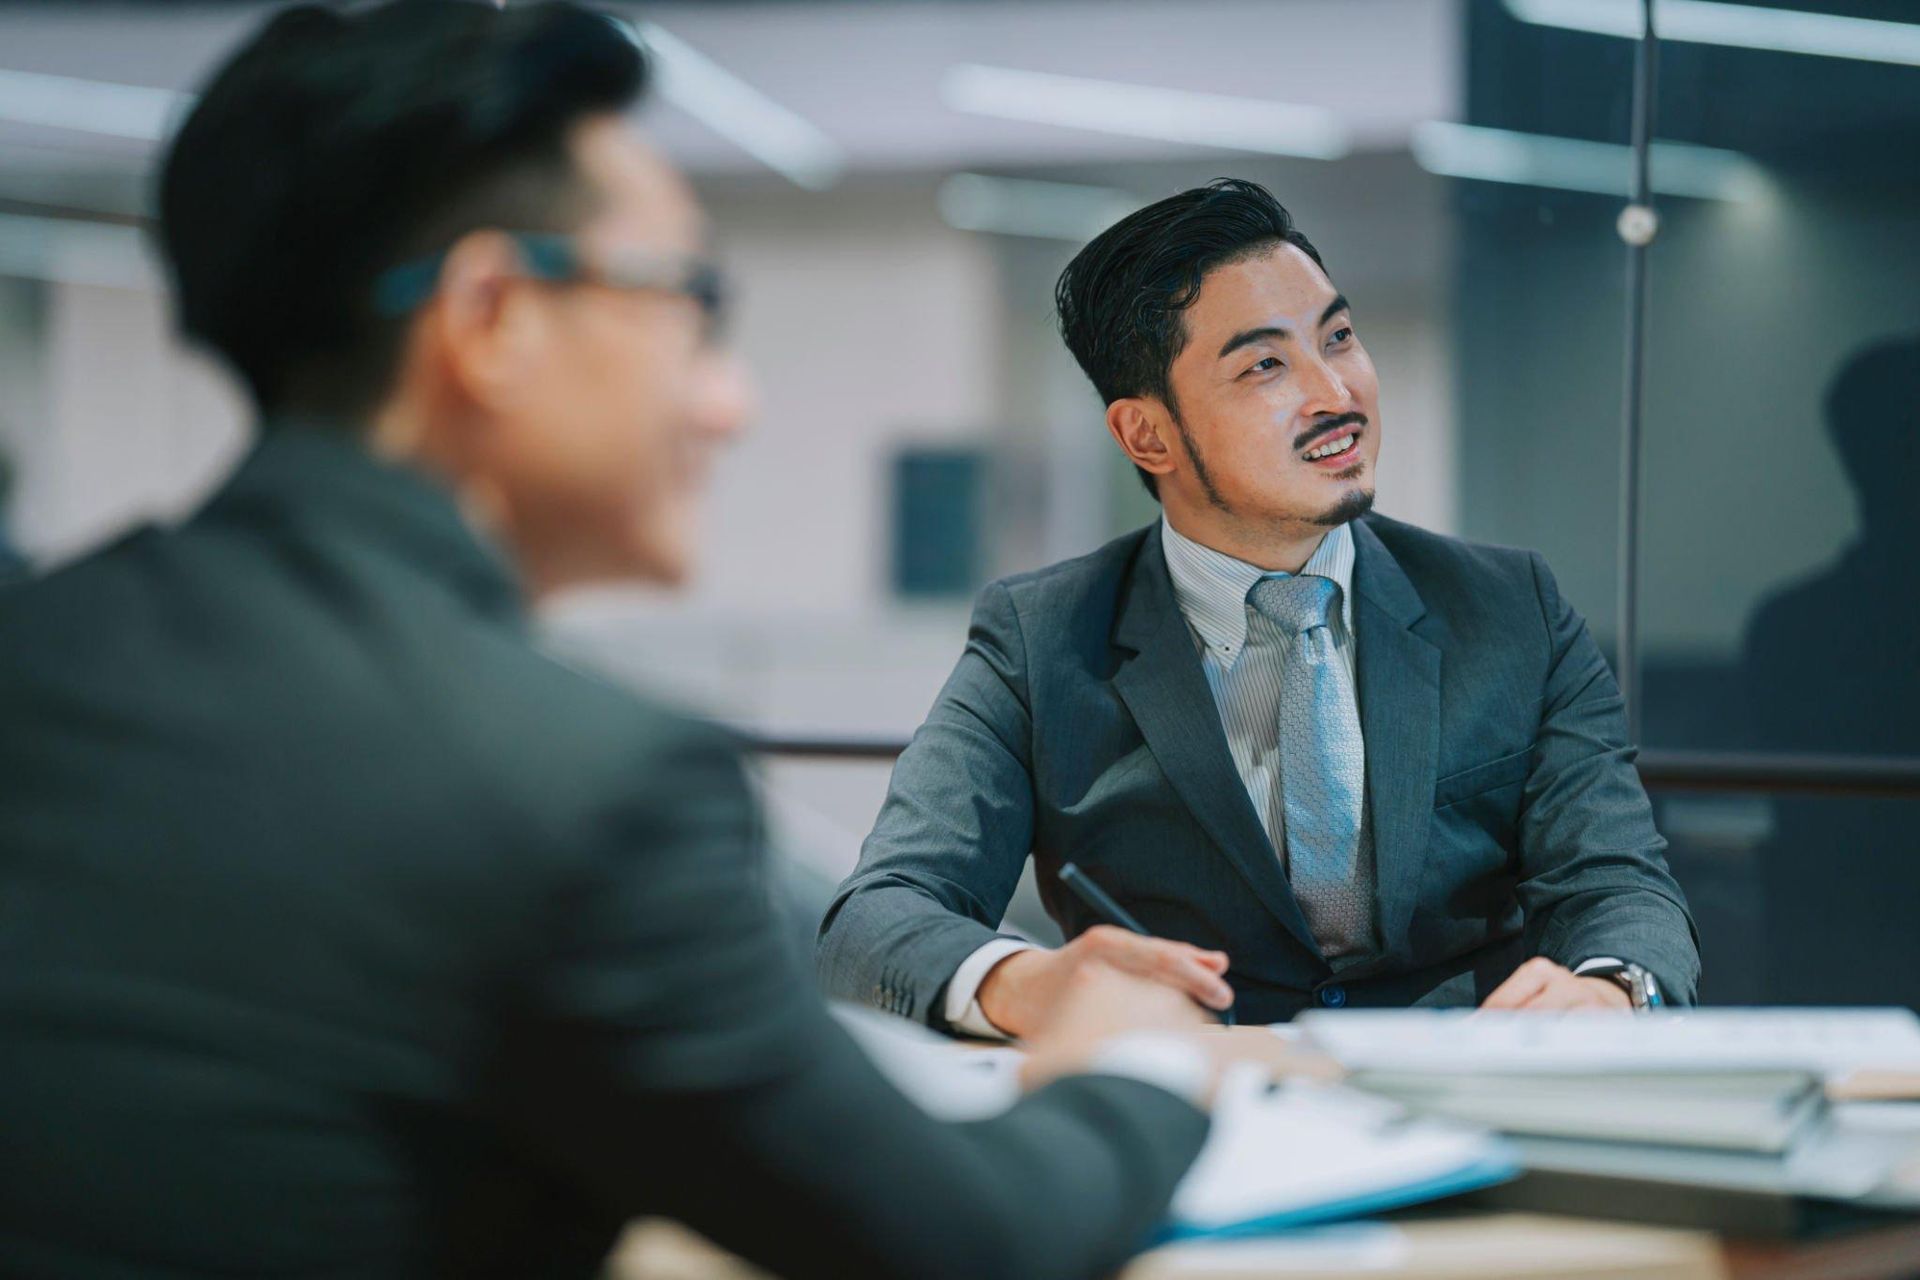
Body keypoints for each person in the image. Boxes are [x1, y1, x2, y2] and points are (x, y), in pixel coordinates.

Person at [0, 6, 1232, 1277]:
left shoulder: (36, 653)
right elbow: (978, 1242)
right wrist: (1134, 1058)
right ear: (491, 317)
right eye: (690, 304)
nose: (728, 400)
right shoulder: (574, 786)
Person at [819, 180, 1700, 1037]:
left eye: (1341, 337)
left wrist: (1613, 989)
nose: (1336, 394)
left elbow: (1618, 885)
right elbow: (878, 916)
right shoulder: (1041, 641)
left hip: (1465, 1103)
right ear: (1147, 434)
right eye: (1266, 365)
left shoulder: (1512, 611)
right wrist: (1028, 981)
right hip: (1194, 1116)